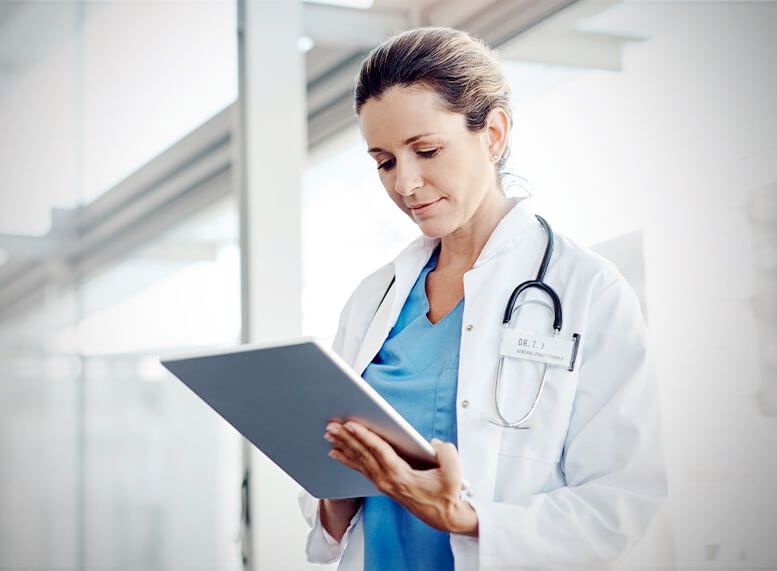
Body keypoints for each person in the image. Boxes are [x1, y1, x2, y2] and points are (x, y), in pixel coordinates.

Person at [298, 26, 667, 571]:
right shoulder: (375, 299)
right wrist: (339, 489)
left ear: (493, 134)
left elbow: (620, 505)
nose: (406, 184)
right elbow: (331, 501)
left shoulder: (587, 289)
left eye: (426, 150)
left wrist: (465, 518)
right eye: (385, 161)